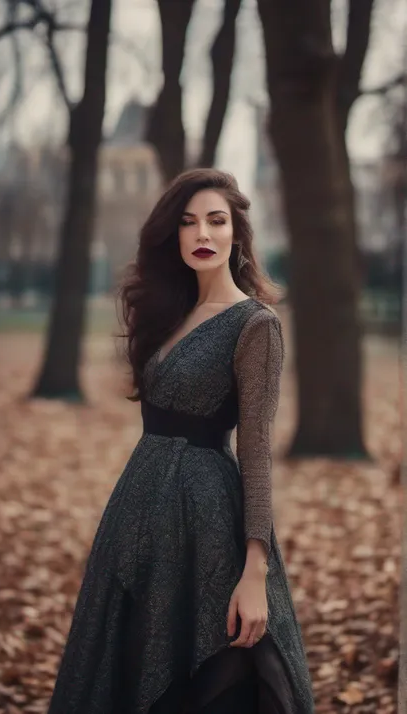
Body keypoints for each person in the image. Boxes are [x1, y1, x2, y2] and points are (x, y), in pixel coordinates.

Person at [47, 169, 314, 713]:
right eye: (189, 223)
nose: (203, 235)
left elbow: (256, 450)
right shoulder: (168, 312)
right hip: (137, 509)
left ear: (237, 233)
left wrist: (255, 570)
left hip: (206, 524)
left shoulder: (254, 325)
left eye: (217, 221)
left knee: (208, 676)